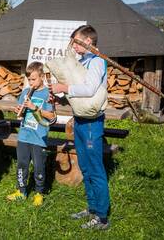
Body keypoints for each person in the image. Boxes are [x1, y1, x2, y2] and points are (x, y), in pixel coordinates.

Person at [51, 25, 110, 230]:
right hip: (80, 121)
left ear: (88, 41)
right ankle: (92, 208)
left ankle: (102, 217)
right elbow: (78, 95)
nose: (73, 46)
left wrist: (64, 88)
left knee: (95, 169)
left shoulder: (97, 62)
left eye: (76, 41)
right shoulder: (83, 61)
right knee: (85, 167)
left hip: (92, 123)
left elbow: (90, 89)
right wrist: (60, 96)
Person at [6, 62, 55, 206]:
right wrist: (18, 111)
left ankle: (39, 193)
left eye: (33, 79)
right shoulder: (25, 92)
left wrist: (35, 108)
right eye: (29, 79)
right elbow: (21, 115)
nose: (31, 82)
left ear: (42, 77)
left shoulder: (47, 94)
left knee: (39, 166)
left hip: (39, 136)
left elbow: (51, 116)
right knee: (22, 164)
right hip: (24, 135)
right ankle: (21, 191)